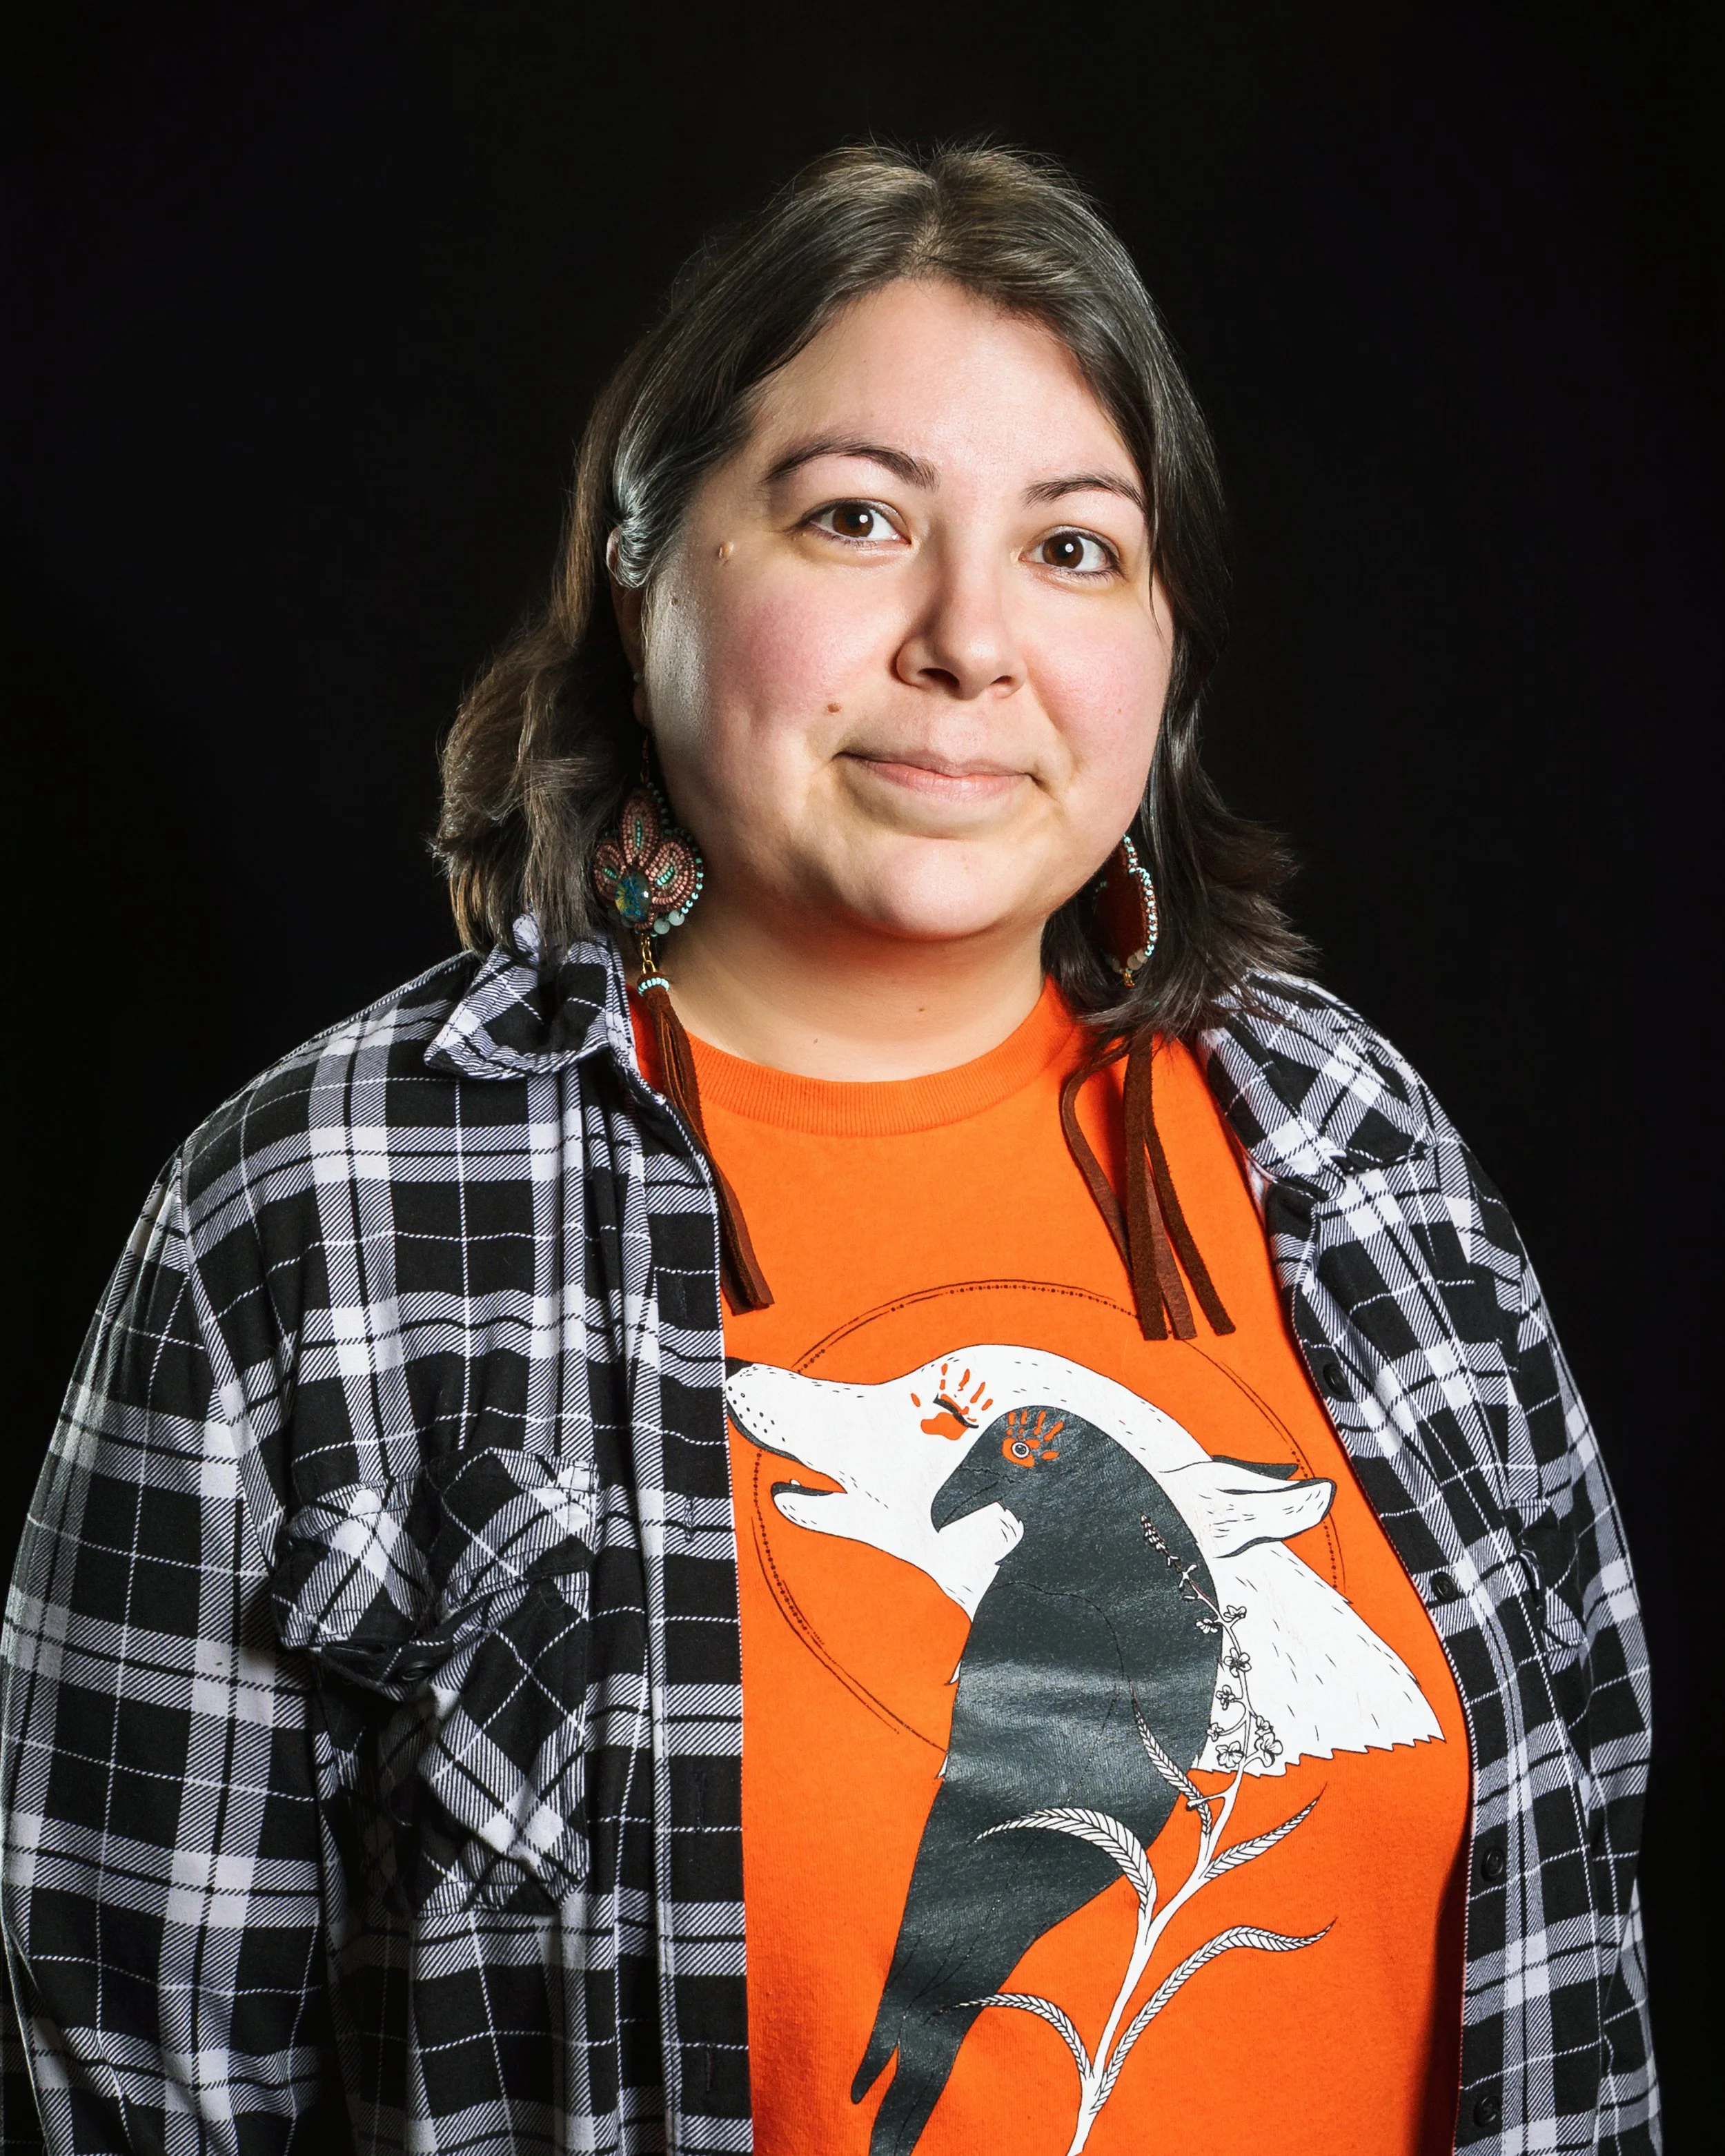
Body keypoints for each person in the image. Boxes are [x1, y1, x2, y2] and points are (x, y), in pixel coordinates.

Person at [0, 144, 1656, 2156]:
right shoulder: (317, 1221)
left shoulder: (1351, 1142)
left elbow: (1579, 1913)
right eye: (856, 517)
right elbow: (126, 2089)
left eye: (1073, 547)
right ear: (642, 567)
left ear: (1163, 640)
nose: (968, 640)